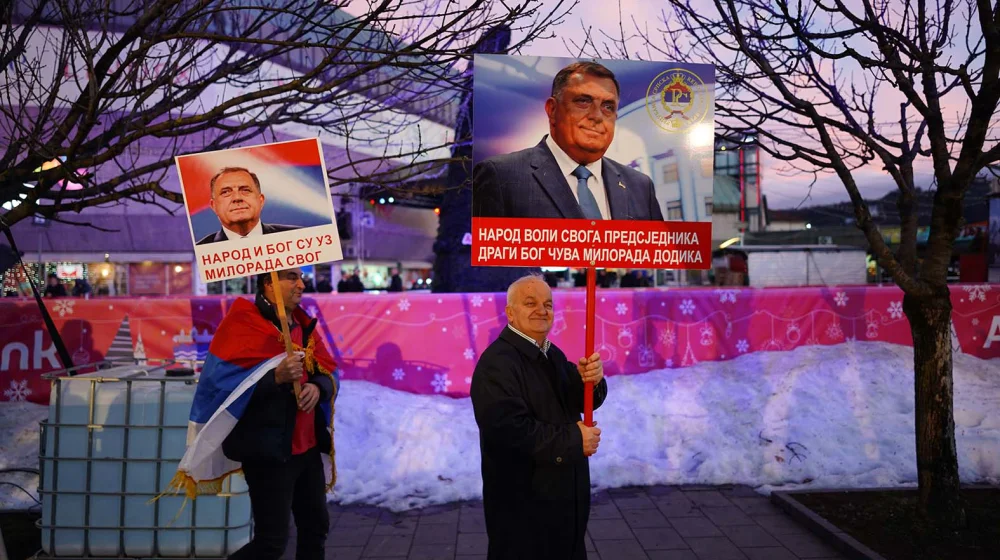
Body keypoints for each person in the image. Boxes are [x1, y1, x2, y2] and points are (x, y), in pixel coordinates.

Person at [169, 267, 340, 560]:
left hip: (307, 448)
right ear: (268, 283)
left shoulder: (301, 323)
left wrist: (318, 388)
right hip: (267, 452)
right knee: (271, 542)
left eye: (301, 277)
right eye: (291, 278)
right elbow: (222, 389)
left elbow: (326, 371)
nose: (301, 284)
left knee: (315, 528)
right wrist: (275, 378)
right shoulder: (241, 324)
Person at [470, 274, 608, 560]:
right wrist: (573, 440)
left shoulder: (550, 353)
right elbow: (508, 432)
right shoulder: (497, 364)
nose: (541, 310)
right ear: (510, 312)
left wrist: (591, 382)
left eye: (547, 304)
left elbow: (579, 401)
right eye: (530, 303)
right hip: (525, 515)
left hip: (562, 511)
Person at [472, 61, 663, 221]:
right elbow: (487, 262)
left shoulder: (640, 186)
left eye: (607, 106)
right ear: (552, 110)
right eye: (583, 101)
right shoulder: (500, 175)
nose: (597, 116)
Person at [196, 167, 300, 245]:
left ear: (261, 200)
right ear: (214, 206)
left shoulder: (296, 237)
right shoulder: (202, 249)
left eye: (245, 190)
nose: (237, 198)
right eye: (226, 192)